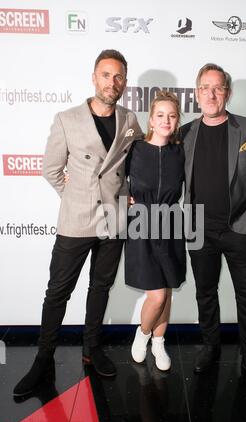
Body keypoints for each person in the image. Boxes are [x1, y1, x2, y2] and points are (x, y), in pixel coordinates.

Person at [13, 49, 142, 397]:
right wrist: (74, 197)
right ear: (93, 77)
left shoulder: (130, 121)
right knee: (58, 292)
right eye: (105, 74)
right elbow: (51, 170)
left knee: (100, 287)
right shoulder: (66, 119)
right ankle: (43, 358)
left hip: (113, 221)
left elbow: (137, 164)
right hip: (76, 220)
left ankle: (91, 347)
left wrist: (129, 192)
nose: (111, 82)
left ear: (125, 83)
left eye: (118, 77)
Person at [181, 63, 246, 393]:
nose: (211, 94)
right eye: (205, 87)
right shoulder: (186, 133)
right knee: (205, 294)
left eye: (218, 87)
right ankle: (211, 346)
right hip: (199, 230)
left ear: (228, 93)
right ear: (196, 94)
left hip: (239, 230)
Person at [125, 91, 186, 371]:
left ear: (177, 120)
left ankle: (159, 344)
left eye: (172, 116)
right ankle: (143, 333)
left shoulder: (180, 151)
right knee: (157, 295)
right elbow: (112, 177)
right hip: (142, 227)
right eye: (160, 115)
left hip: (172, 224)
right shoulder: (135, 149)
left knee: (168, 291)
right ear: (150, 119)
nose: (166, 120)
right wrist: (124, 196)